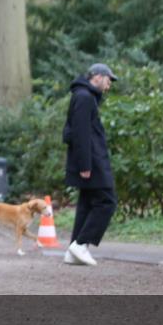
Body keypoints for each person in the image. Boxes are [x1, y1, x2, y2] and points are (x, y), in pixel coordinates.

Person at [62, 62, 119, 266]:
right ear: (97, 77)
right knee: (107, 201)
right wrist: (85, 165)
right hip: (92, 161)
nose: (109, 85)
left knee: (87, 204)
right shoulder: (85, 98)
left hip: (90, 159)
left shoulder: (84, 96)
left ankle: (74, 249)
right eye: (108, 80)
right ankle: (81, 243)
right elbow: (81, 134)